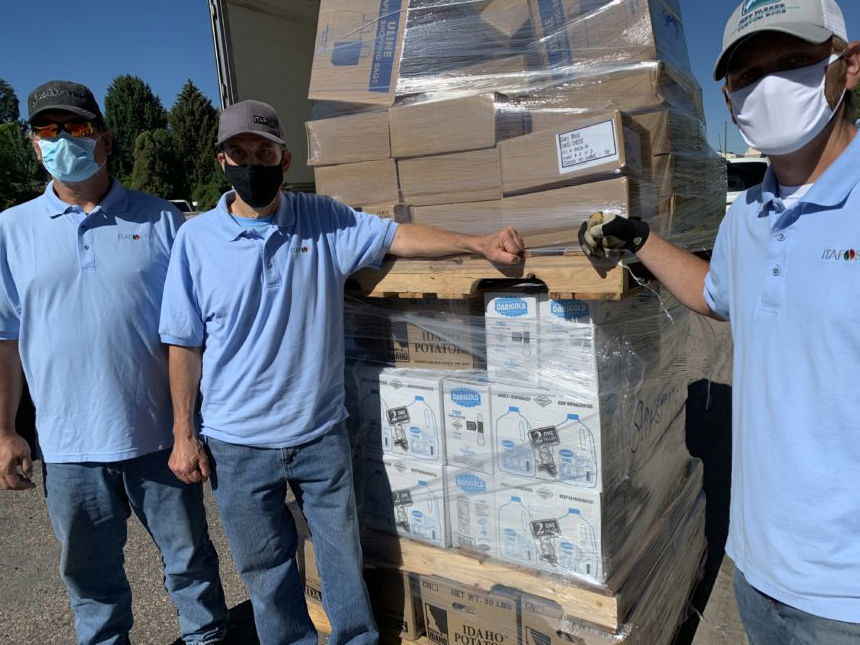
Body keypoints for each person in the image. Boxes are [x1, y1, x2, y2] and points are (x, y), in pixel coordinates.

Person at [159, 99, 524, 645]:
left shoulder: (324, 220)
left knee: (342, 560)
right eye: (239, 154)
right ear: (222, 161)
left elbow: (396, 236)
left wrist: (475, 244)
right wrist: (183, 434)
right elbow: (184, 344)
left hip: (319, 435)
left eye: (264, 153)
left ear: (284, 160)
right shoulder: (196, 241)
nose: (252, 164)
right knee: (267, 572)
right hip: (237, 443)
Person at [579, 1, 860, 642]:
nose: (770, 86)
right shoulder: (748, 217)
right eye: (748, 75)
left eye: (794, 61)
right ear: (730, 100)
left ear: (848, 66)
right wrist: (638, 237)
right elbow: (714, 293)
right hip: (756, 570)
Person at [0, 81, 228, 645]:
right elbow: (5, 340)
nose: (62, 140)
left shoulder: (161, 220)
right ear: (33, 144)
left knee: (191, 567)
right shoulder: (9, 230)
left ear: (105, 138)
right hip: (68, 446)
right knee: (91, 583)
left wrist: (189, 429)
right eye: (47, 130)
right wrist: (4, 430)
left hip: (159, 439)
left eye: (75, 128)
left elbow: (192, 332)